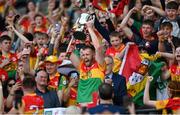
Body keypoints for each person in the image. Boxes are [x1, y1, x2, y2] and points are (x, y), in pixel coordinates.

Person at [70, 18, 105, 107]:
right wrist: (75, 35)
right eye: (84, 55)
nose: (85, 57)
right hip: (80, 105)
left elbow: (98, 48)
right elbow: (70, 54)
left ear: (93, 55)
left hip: (94, 104)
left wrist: (90, 28)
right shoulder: (81, 66)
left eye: (87, 55)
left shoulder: (100, 65)